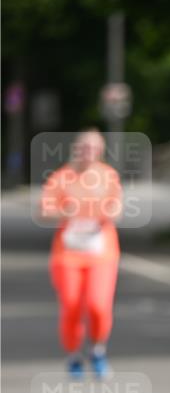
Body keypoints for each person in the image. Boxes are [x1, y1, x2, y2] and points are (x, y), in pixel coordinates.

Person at [41, 129, 122, 379]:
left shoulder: (108, 176)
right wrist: (67, 212)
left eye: (93, 147)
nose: (88, 152)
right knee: (72, 305)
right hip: (67, 255)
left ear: (100, 151)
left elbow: (116, 209)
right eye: (84, 147)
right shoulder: (61, 177)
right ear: (76, 149)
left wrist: (103, 213)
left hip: (101, 253)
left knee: (98, 305)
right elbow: (44, 212)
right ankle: (74, 354)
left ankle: (98, 350)